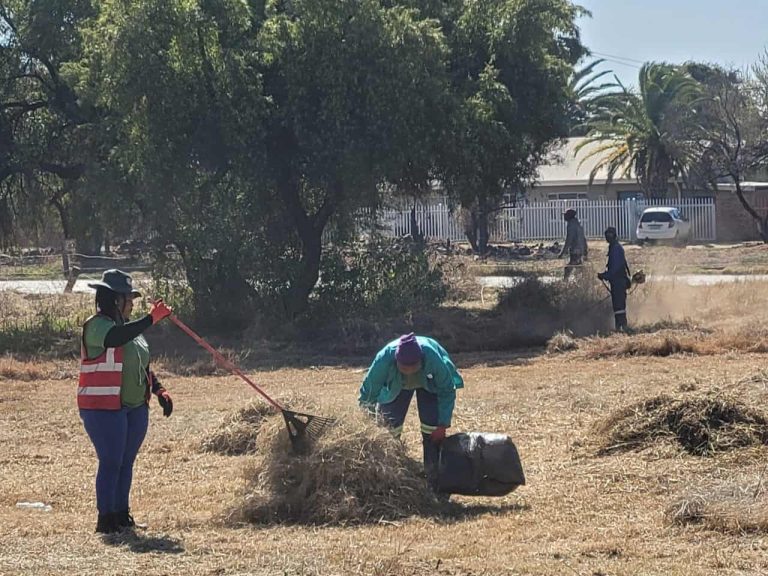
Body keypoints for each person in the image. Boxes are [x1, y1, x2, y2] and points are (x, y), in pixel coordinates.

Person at [78, 269, 173, 534]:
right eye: (128, 298)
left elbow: (142, 366)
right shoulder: (97, 326)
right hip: (103, 408)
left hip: (134, 408)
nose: (132, 302)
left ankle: (121, 515)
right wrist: (151, 319)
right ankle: (105, 519)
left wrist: (159, 390)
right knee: (111, 461)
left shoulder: (132, 330)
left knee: (126, 461)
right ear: (115, 300)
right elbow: (115, 339)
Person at [359, 333, 464, 493]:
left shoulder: (432, 357)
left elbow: (446, 389)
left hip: (429, 385)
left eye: (412, 368)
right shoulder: (384, 359)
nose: (408, 371)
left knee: (432, 430)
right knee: (388, 430)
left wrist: (442, 424)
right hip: (397, 387)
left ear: (421, 360)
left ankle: (434, 478)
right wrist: (367, 422)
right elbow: (369, 392)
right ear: (396, 360)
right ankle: (391, 476)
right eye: (404, 368)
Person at [597, 227, 630, 331]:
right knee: (618, 307)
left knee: (619, 307)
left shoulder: (615, 248)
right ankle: (620, 328)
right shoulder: (614, 247)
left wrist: (604, 276)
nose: (607, 237)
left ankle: (622, 327)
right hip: (617, 281)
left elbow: (615, 268)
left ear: (613, 235)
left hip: (618, 281)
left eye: (609, 235)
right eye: (606, 235)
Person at [560, 208, 588, 280]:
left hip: (575, 250)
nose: (564, 216)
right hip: (580, 249)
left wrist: (563, 252)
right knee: (578, 267)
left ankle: (565, 283)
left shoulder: (571, 225)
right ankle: (583, 281)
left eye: (565, 215)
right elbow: (584, 238)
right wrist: (585, 250)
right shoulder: (578, 224)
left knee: (569, 268)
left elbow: (569, 239)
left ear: (569, 216)